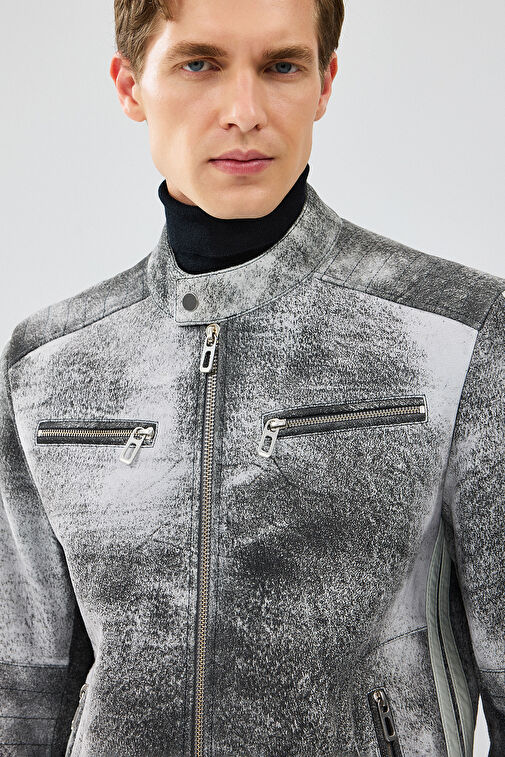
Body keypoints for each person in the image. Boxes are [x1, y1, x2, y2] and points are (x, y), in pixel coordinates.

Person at [0, 0, 504, 755]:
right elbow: (20, 695)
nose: (244, 111)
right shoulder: (46, 365)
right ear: (131, 85)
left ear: (324, 83)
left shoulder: (454, 331)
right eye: (199, 64)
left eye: (281, 66)